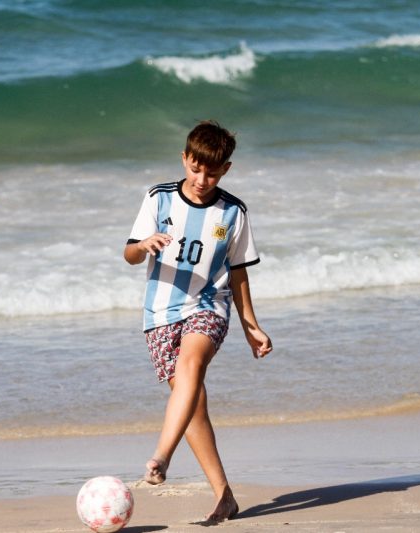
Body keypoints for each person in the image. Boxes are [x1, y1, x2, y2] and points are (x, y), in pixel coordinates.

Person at [123, 120, 272, 522]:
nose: (202, 178)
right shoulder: (159, 199)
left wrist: (250, 324)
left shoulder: (233, 212)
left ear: (225, 169)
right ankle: (224, 494)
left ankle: (161, 457)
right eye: (195, 168)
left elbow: (238, 271)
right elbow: (129, 254)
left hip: (209, 304)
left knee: (191, 365)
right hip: (160, 312)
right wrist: (143, 245)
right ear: (184, 159)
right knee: (192, 403)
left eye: (212, 171)